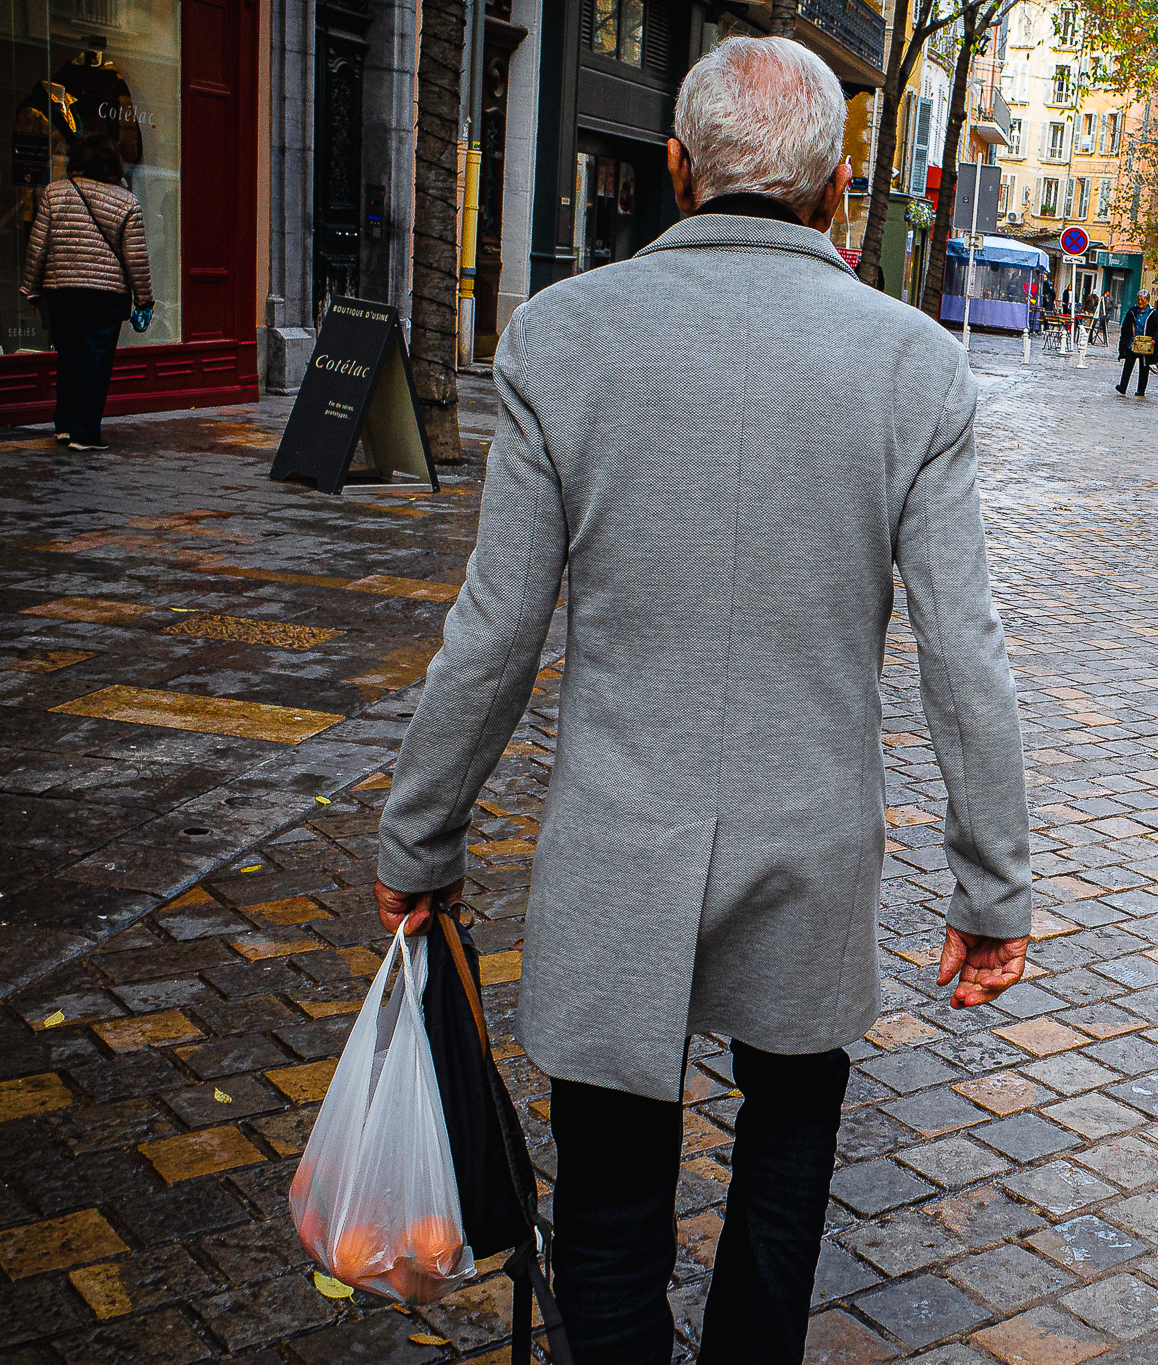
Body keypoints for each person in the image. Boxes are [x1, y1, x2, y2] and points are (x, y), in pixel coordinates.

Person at [371, 37, 1033, 1364]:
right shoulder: (913, 367)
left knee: (609, 1213)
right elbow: (967, 653)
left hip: (622, 840)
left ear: (675, 171)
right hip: (812, 843)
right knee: (785, 1184)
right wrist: (991, 888)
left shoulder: (564, 338)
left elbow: (495, 636)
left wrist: (418, 840)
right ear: (839, 193)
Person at [20, 131, 152, 451]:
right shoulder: (126, 201)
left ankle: (64, 425)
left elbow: (38, 246)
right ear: (113, 163)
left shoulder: (54, 193)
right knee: (95, 362)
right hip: (106, 294)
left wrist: (30, 289)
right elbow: (136, 257)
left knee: (68, 356)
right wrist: (144, 299)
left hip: (61, 290)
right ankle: (85, 433)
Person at [1117, 290, 1158, 396]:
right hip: (1133, 343)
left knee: (1144, 366)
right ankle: (1123, 387)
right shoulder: (1133, 311)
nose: (1140, 302)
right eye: (1139, 299)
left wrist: (1154, 339)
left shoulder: (1152, 313)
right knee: (1128, 364)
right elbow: (1126, 326)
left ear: (1147, 301)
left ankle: (1141, 390)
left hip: (1146, 344)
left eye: (1143, 300)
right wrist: (1125, 340)